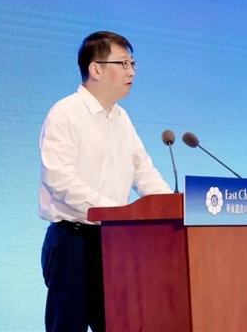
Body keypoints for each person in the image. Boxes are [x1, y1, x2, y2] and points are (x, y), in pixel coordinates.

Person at [38, 31, 173, 332]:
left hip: (115, 242)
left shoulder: (122, 119)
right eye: (123, 63)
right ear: (95, 69)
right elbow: (59, 179)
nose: (131, 71)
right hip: (73, 242)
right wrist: (115, 211)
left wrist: (173, 208)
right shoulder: (65, 113)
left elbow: (144, 172)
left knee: (117, 325)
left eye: (133, 64)